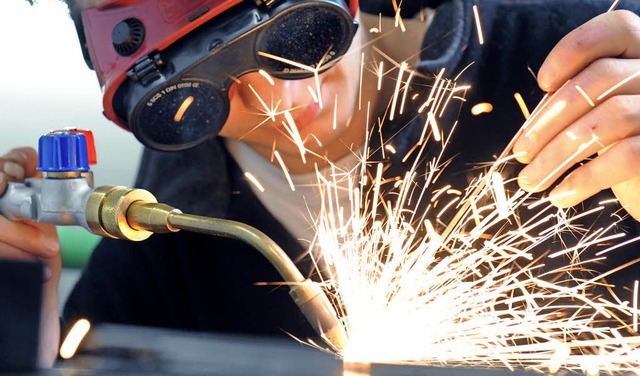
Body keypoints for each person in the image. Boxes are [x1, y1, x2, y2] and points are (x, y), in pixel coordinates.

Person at [1, 0, 640, 368]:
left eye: (299, 33)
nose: (286, 93)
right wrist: (20, 306)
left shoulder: (586, 63)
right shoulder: (168, 230)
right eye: (207, 83)